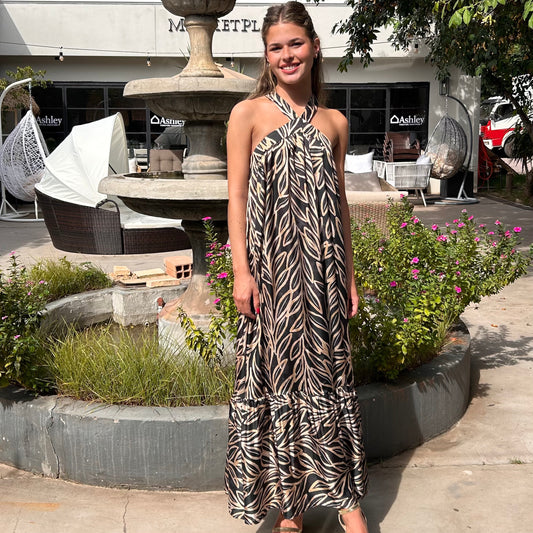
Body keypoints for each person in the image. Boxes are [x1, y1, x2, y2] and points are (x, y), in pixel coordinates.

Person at [224, 2, 368, 532]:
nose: (287, 55)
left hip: (324, 277)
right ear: (266, 56)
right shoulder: (247, 115)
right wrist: (241, 272)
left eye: (295, 43)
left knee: (328, 380)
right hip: (272, 277)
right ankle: (291, 508)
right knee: (278, 380)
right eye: (276, 47)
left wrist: (349, 275)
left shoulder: (335, 122)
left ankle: (347, 503)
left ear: (314, 47)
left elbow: (340, 203)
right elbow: (236, 198)